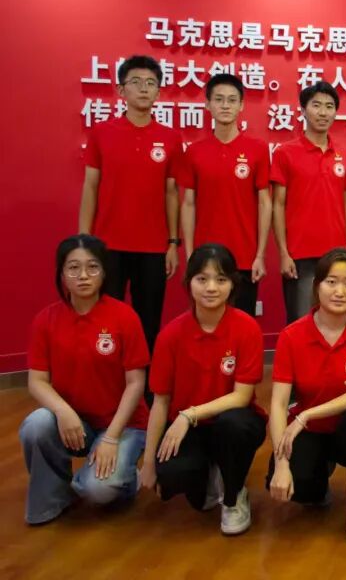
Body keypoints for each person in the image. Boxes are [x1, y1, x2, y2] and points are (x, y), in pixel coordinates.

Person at [20, 234, 149, 525]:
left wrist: (111, 438)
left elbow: (136, 383)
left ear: (104, 273)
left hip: (123, 425)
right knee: (36, 425)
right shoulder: (46, 320)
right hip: (76, 423)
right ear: (62, 274)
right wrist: (63, 411)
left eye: (92, 267)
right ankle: (52, 499)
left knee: (99, 490)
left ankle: (127, 480)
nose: (83, 275)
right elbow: (37, 380)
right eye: (73, 268)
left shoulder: (124, 317)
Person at [140, 244, 266, 535]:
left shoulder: (246, 328)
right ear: (189, 283)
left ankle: (234, 496)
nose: (211, 287)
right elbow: (160, 402)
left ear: (233, 284)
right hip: (190, 429)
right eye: (202, 279)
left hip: (232, 421)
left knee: (234, 426)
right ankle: (212, 474)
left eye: (221, 279)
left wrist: (189, 414)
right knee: (171, 476)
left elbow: (241, 397)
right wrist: (148, 463)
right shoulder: (170, 335)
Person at [266, 249, 346, 544]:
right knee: (297, 488)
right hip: (311, 433)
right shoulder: (292, 336)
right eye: (331, 282)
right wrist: (281, 464)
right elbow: (278, 405)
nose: (340, 292)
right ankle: (318, 483)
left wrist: (306, 414)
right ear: (317, 285)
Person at [78, 54, 181, 352]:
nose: (144, 88)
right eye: (135, 82)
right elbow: (91, 186)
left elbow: (171, 193)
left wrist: (173, 243)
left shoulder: (170, 138)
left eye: (151, 83)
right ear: (121, 90)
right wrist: (83, 240)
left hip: (153, 246)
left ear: (159, 92)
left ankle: (145, 379)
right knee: (104, 318)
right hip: (107, 244)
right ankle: (107, 375)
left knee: (148, 320)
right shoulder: (102, 133)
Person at [178, 73, 272, 316]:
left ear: (241, 105)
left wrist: (259, 255)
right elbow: (188, 204)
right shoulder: (195, 152)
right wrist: (190, 256)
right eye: (218, 99)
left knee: (243, 323)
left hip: (245, 257)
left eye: (232, 100)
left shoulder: (258, 149)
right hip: (205, 257)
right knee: (205, 323)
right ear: (207, 105)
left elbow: (265, 204)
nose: (225, 106)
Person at [271, 81, 346, 323]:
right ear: (303, 110)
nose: (323, 112)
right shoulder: (285, 152)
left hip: (336, 253)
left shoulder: (343, 153)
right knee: (301, 322)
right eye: (316, 105)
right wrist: (283, 253)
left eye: (329, 106)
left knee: (336, 319)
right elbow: (278, 204)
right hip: (299, 254)